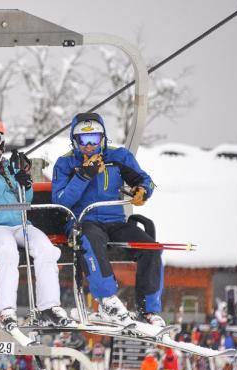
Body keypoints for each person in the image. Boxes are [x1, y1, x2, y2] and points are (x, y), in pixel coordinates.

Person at [0, 115, 73, 328]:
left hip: (19, 224)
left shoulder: (10, 167)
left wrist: (25, 183)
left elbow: (25, 202)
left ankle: (49, 306)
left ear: (1, 140)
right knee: (8, 250)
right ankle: (5, 310)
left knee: (45, 248)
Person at [51, 112, 164, 327]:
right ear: (74, 141)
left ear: (103, 138)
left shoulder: (118, 157)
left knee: (151, 247)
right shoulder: (66, 164)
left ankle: (148, 309)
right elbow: (61, 201)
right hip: (83, 220)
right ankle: (106, 299)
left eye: (94, 139)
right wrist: (84, 175)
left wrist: (143, 191)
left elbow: (148, 181)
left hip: (115, 220)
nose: (89, 146)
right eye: (83, 140)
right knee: (90, 238)